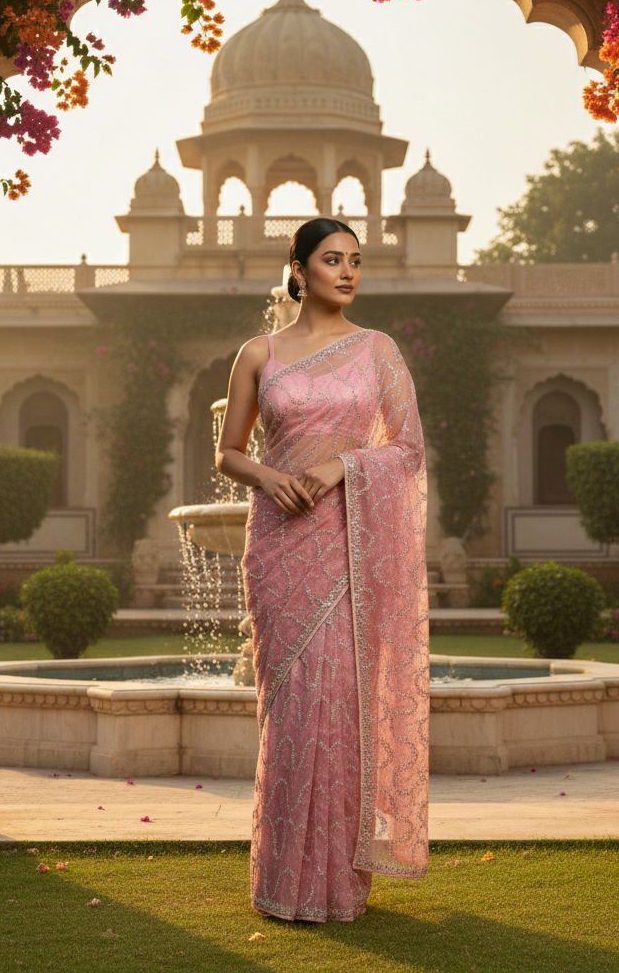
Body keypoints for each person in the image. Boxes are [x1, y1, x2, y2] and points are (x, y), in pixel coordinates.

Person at [215, 217, 430, 923]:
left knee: (339, 702)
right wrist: (269, 480)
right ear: (299, 270)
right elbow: (227, 452)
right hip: (278, 543)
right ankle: (283, 881)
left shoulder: (378, 351)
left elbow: (407, 450)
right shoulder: (259, 353)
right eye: (332, 260)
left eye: (356, 261)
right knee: (292, 704)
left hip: (346, 541)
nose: (348, 272)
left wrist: (341, 466)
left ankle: (338, 882)